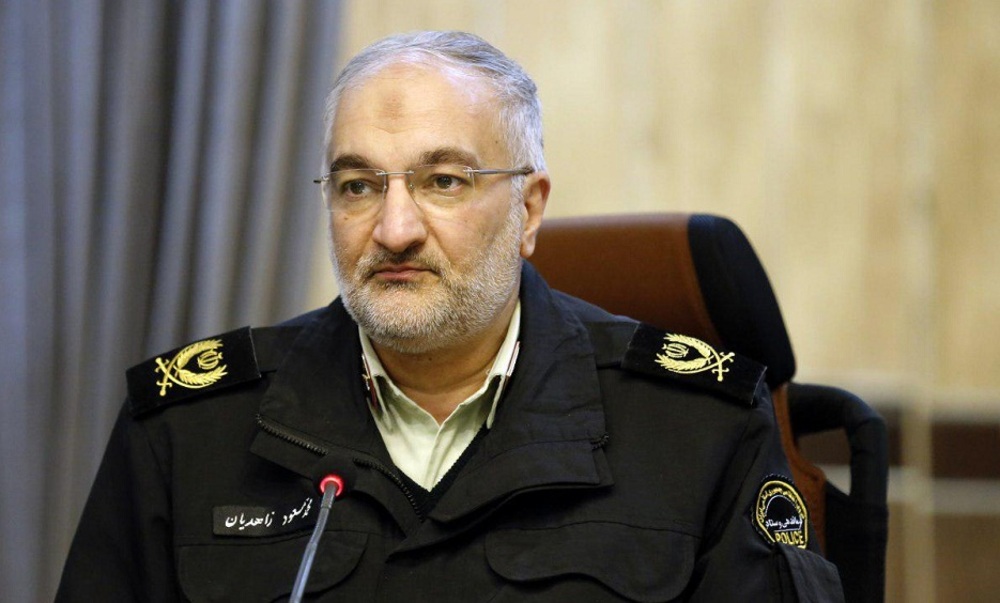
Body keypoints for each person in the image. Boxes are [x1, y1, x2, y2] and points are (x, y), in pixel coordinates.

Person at [57, 31, 844, 601]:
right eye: (358, 186)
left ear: (528, 209)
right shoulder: (188, 428)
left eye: (443, 182)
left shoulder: (699, 429)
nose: (394, 228)